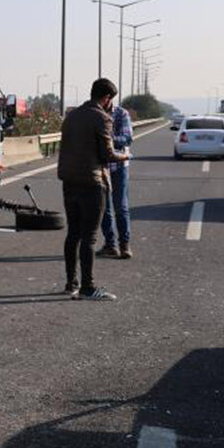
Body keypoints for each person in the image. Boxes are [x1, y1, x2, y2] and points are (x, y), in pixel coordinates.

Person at [57, 78, 130, 301]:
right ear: (107, 99)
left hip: (69, 182)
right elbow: (107, 154)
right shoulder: (102, 118)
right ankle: (88, 288)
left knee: (73, 234)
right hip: (92, 183)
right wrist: (125, 155)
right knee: (89, 237)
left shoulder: (71, 116)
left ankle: (71, 283)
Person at [97, 103, 135, 259]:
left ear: (108, 98)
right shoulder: (94, 113)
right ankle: (110, 244)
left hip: (119, 166)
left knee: (120, 206)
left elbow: (127, 138)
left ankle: (124, 245)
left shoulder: (121, 114)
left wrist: (107, 139)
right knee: (103, 208)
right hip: (100, 166)